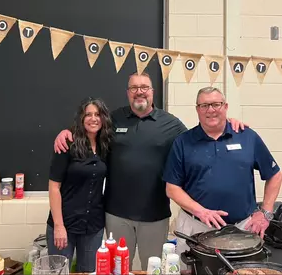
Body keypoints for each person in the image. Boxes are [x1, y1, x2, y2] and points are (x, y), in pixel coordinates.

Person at [54, 72, 245, 270]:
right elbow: (89, 128)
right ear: (128, 93)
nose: (139, 92)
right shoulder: (114, 120)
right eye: (134, 88)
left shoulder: (171, 123)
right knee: (118, 269)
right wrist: (67, 132)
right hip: (116, 215)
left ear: (152, 92)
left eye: (144, 87)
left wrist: (225, 122)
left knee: (153, 269)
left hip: (155, 216)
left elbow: (200, 135)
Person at [163, 86, 282, 260]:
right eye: (204, 106)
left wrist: (265, 213)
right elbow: (172, 188)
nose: (210, 110)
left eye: (216, 104)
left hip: (242, 229)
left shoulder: (247, 136)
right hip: (196, 227)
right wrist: (202, 212)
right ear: (197, 109)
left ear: (225, 107)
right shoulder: (183, 142)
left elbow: (275, 175)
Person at [47, 97, 113, 272]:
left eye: (97, 114)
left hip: (93, 226)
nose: (93, 118)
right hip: (65, 224)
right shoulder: (67, 143)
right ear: (81, 119)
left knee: (89, 271)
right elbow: (54, 187)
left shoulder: (105, 145)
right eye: (88, 114)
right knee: (60, 271)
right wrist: (59, 226)